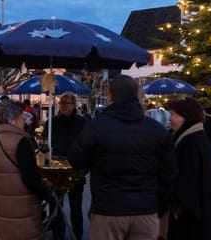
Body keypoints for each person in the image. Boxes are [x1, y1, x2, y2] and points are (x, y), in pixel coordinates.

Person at [68, 75, 177, 240]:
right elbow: (169, 174)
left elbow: (76, 159)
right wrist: (158, 205)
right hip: (145, 209)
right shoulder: (157, 130)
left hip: (108, 208)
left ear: (111, 97)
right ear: (136, 95)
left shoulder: (97, 126)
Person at [166, 97, 211, 239]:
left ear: (186, 116)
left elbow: (187, 183)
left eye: (173, 115)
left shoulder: (190, 142)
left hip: (194, 219)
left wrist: (176, 208)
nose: (170, 119)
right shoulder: (195, 138)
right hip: (204, 214)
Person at [0, 99, 51, 239]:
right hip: (22, 209)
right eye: (22, 117)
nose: (24, 121)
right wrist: (46, 194)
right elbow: (31, 179)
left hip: (2, 208)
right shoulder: (21, 142)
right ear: (13, 119)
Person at [43, 92, 86, 240]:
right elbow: (44, 140)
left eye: (65, 103)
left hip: (76, 170)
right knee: (57, 206)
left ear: (74, 105)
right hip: (56, 169)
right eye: (60, 103)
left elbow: (87, 146)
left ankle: (77, 234)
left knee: (76, 207)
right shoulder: (52, 122)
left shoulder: (82, 123)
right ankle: (58, 234)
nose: (62, 106)